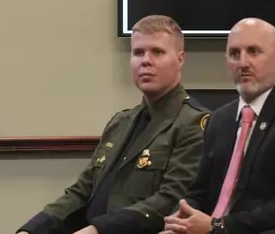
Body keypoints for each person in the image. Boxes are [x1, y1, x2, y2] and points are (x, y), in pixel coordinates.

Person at [17, 15, 210, 234]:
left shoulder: (193, 123)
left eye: (157, 52)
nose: (145, 60)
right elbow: (82, 191)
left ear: (180, 59)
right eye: (138, 52)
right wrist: (33, 229)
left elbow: (169, 201)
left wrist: (97, 230)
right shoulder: (121, 122)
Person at [162, 18, 275, 234]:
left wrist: (217, 227)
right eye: (234, 54)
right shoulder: (220, 118)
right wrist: (183, 218)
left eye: (253, 52)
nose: (243, 63)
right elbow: (199, 191)